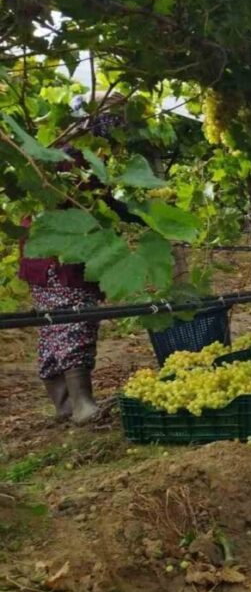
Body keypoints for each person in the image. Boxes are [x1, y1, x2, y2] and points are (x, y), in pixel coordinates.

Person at [18, 95, 134, 424]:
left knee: (56, 327)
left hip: (49, 254)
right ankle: (81, 405)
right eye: (114, 119)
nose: (120, 127)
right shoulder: (73, 156)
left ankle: (65, 404)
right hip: (59, 256)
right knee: (75, 322)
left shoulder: (69, 151)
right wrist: (136, 218)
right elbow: (96, 203)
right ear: (94, 122)